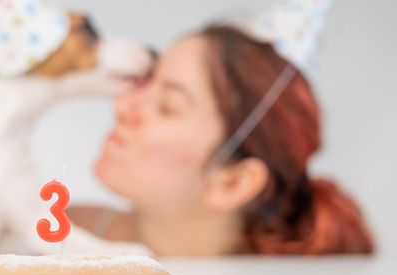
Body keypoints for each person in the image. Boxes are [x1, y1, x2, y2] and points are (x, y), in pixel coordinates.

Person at [68, 24, 374, 256]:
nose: (122, 106)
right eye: (144, 83)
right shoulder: (60, 231)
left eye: (167, 107)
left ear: (234, 183)